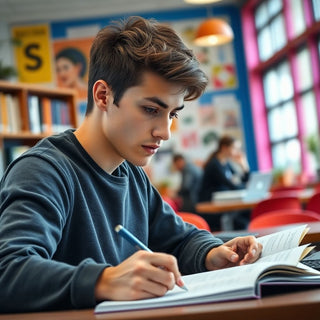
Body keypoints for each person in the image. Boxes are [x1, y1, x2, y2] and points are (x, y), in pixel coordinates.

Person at [0, 17, 262, 313]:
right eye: (151, 109)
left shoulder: (132, 173)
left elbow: (180, 238)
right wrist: (105, 280)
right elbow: (8, 271)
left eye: (172, 114)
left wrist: (212, 252)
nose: (164, 132)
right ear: (103, 96)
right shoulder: (43, 171)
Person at [198, 135, 250, 230]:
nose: (237, 152)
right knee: (243, 218)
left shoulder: (226, 163)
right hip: (212, 205)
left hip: (223, 202)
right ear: (224, 148)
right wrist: (247, 187)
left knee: (246, 214)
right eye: (234, 148)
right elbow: (232, 186)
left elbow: (240, 182)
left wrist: (244, 167)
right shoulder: (215, 165)